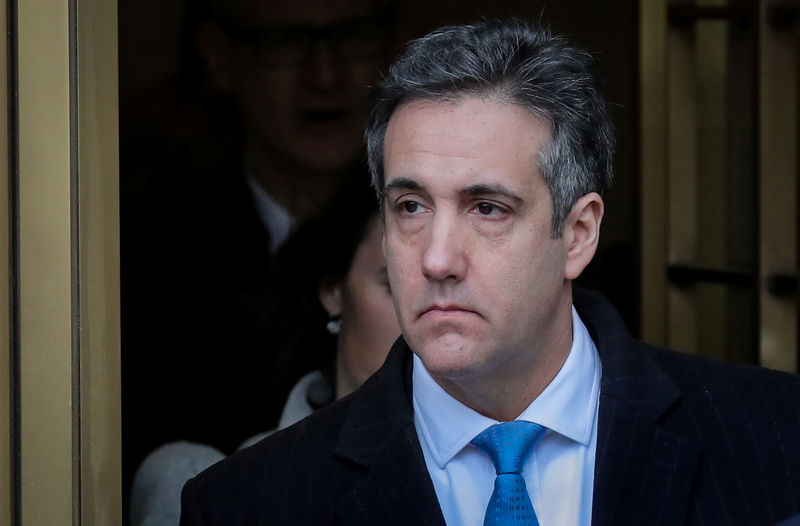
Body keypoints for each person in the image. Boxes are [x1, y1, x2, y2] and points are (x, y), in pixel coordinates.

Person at [179, 19, 800, 526]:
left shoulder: (777, 436)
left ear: (578, 234)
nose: (436, 259)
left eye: (487, 208)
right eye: (411, 207)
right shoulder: (250, 504)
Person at [121, 0, 395, 502]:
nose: (325, 73)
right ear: (221, 58)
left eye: (353, 33)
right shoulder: (143, 253)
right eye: (285, 42)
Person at [129, 174, 400, 526]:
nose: (423, 315)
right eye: (396, 284)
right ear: (333, 288)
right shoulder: (211, 481)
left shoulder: (490, 463)